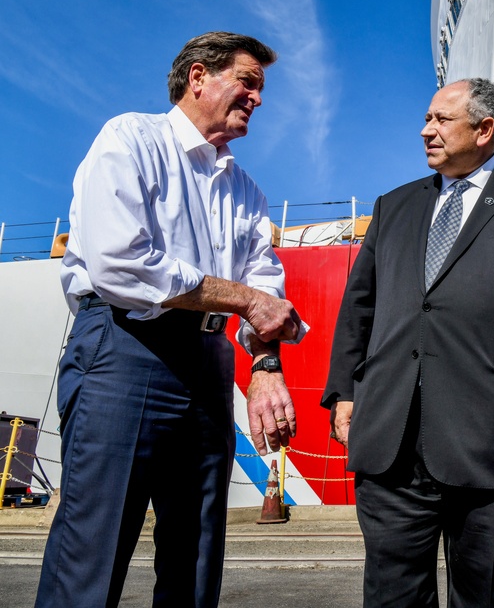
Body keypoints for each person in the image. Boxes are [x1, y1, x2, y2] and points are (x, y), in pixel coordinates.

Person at [35, 32, 306, 608]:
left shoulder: (247, 192)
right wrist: (246, 302)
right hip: (125, 345)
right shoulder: (131, 139)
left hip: (209, 362)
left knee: (198, 547)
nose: (258, 98)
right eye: (249, 82)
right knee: (95, 543)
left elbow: (266, 287)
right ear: (199, 76)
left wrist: (264, 365)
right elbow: (119, 263)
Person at [323, 78, 494, 607]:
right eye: (426, 119)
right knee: (391, 596)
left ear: (484, 129)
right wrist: (344, 390)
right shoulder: (393, 207)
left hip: (493, 437)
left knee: (489, 595)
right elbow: (359, 306)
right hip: (390, 438)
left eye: (440, 120)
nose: (426, 130)